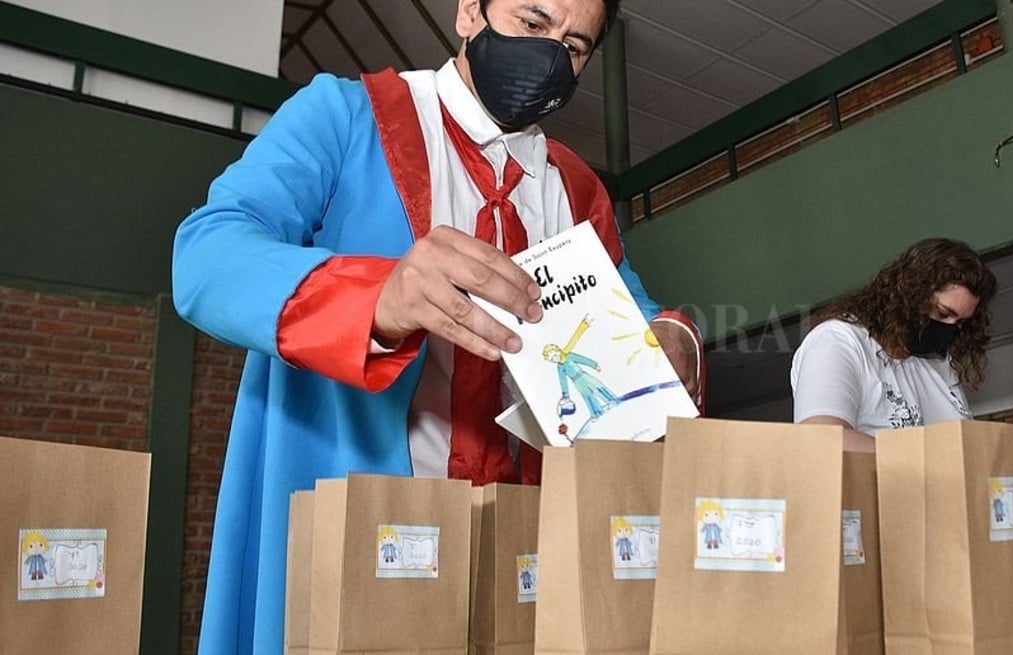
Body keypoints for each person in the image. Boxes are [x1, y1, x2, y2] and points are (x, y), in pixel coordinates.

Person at [172, 0, 702, 651]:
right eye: (533, 24)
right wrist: (376, 297)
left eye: (573, 47)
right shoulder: (345, 116)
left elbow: (637, 319)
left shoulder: (579, 192)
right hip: (366, 538)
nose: (548, 56)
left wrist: (674, 339)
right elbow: (205, 257)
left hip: (526, 561)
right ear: (468, 14)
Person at [790, 238, 998, 449]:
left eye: (960, 322)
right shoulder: (838, 342)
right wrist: (928, 463)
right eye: (942, 313)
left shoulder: (939, 365)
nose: (948, 328)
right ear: (910, 294)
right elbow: (822, 438)